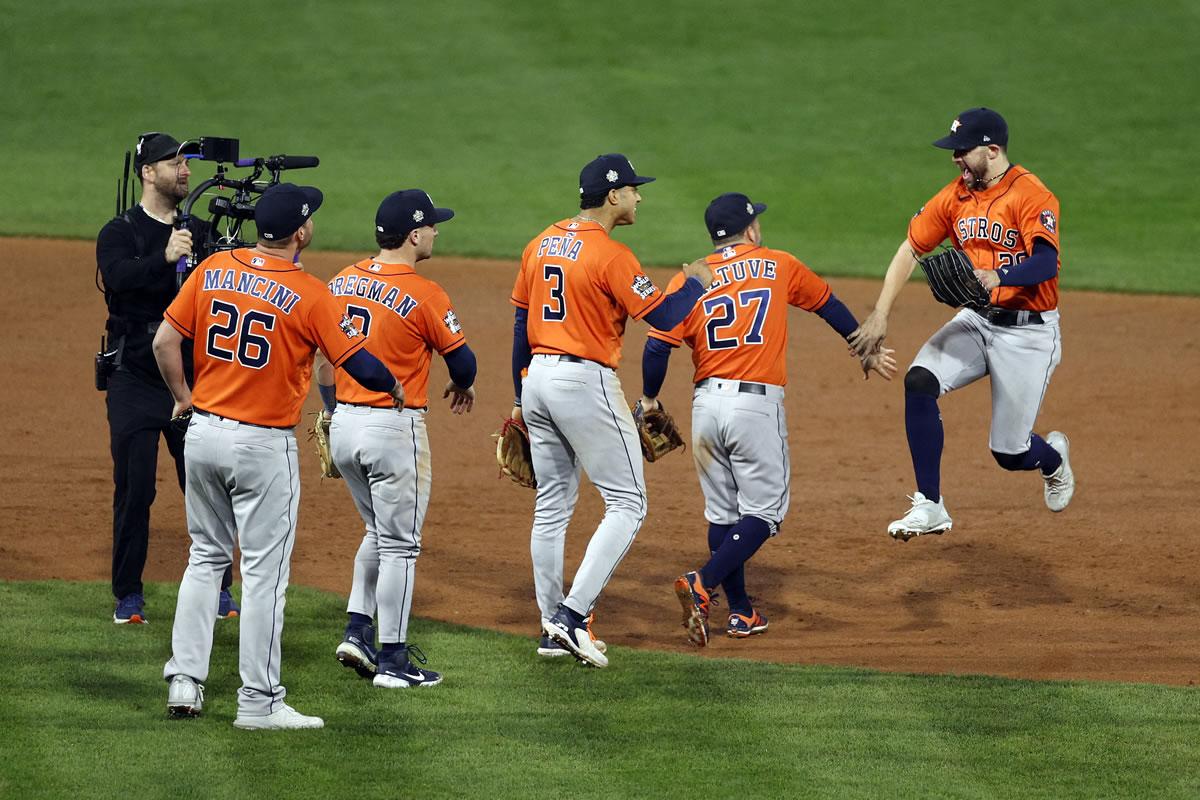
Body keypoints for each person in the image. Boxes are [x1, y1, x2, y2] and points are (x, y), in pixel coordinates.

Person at [153, 183, 404, 730]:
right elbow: (357, 365)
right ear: (300, 232)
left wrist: (183, 399)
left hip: (202, 434)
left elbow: (164, 343)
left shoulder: (213, 268)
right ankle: (260, 703)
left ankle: (185, 680)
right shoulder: (312, 293)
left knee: (205, 558)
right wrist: (395, 387)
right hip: (261, 447)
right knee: (264, 575)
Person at [641, 193, 896, 647]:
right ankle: (703, 582)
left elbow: (658, 345)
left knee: (722, 512)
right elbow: (826, 303)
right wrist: (864, 346)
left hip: (706, 407)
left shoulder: (689, 278)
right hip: (754, 407)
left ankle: (741, 612)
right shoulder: (776, 263)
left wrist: (649, 400)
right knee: (766, 512)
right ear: (751, 230)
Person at [510, 153, 714, 668]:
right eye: (633, 189)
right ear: (612, 195)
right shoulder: (610, 254)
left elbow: (519, 325)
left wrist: (519, 397)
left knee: (552, 506)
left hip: (537, 379)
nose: (639, 197)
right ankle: (572, 617)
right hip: (583, 381)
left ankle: (549, 624)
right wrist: (693, 281)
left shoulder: (539, 243)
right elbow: (664, 315)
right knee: (628, 503)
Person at [848, 107, 1075, 541]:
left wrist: (1000, 276)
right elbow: (910, 249)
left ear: (992, 150)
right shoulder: (955, 196)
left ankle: (1053, 461)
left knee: (1009, 453)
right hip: (976, 319)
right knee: (919, 381)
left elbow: (1046, 260)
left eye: (961, 150)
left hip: (1029, 333)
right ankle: (931, 504)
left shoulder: (1031, 194)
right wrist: (880, 313)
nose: (954, 158)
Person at [319, 189, 477, 689]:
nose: (436, 231)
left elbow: (324, 363)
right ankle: (392, 662)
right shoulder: (426, 293)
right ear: (413, 235)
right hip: (392, 428)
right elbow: (464, 363)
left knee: (377, 533)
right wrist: (464, 383)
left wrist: (333, 414)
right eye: (432, 225)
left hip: (343, 423)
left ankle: (357, 630)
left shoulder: (340, 281)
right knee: (402, 547)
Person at [96, 131, 237, 624]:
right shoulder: (120, 232)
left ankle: (220, 588)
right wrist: (165, 259)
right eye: (173, 162)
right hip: (133, 376)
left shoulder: (197, 230)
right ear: (147, 172)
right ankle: (128, 595)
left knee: (202, 485)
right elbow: (119, 279)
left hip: (189, 375)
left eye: (185, 162)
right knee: (136, 489)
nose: (184, 170)